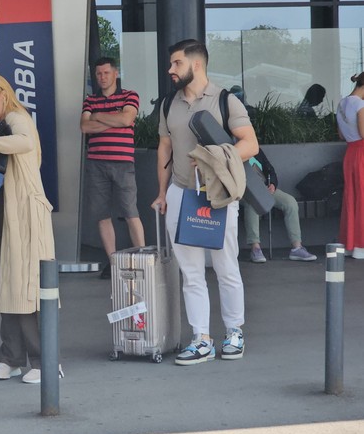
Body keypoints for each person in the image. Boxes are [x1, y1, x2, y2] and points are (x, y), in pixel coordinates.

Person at [151, 39, 258, 366]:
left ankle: (234, 331)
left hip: (219, 196)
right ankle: (201, 339)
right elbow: (164, 149)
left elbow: (250, 145)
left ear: (195, 65)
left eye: (176, 63)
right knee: (191, 272)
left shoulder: (226, 101)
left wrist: (214, 157)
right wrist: (162, 192)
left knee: (226, 267)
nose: (170, 70)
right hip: (182, 193)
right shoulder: (170, 105)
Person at [0, 72, 57, 384]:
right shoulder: (8, 119)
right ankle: (12, 357)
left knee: (25, 286)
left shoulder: (17, 117)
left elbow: (24, 142)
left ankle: (42, 360)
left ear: (2, 94)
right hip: (8, 210)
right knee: (9, 284)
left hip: (24, 212)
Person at [80, 57, 145, 279]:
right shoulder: (90, 100)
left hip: (123, 162)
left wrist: (99, 117)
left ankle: (142, 259)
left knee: (130, 211)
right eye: (98, 74)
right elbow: (84, 126)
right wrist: (112, 120)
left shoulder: (130, 95)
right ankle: (113, 262)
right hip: (96, 163)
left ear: (115, 73)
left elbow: (127, 119)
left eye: (106, 73)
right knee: (102, 214)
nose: (102, 77)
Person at [244, 149, 317, 263]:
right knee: (253, 203)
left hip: (264, 188)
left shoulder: (254, 148)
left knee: (290, 202)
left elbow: (270, 170)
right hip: (244, 191)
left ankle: (297, 247)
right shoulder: (232, 148)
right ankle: (255, 248)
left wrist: (272, 184)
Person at [336, 72, 364, 260]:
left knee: (351, 197)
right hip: (361, 152)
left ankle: (350, 244)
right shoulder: (360, 105)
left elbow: (341, 135)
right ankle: (360, 246)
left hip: (350, 153)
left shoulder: (341, 103)